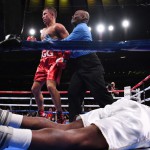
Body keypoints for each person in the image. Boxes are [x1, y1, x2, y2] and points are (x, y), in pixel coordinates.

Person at [1, 97, 150, 150]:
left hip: (132, 106)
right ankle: (4, 136)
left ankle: (6, 117)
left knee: (64, 128)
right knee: (75, 139)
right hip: (142, 122)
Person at [44, 10, 114, 122]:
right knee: (73, 92)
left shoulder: (81, 27)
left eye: (76, 14)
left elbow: (66, 43)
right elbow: (69, 48)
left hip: (90, 64)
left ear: (83, 17)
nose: (73, 16)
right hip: (80, 65)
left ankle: (118, 116)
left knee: (100, 94)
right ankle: (73, 122)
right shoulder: (77, 30)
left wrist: (51, 41)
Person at [31, 7, 69, 123]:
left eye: (45, 14)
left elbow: (70, 42)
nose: (43, 16)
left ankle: (60, 114)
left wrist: (65, 58)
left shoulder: (58, 27)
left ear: (52, 14)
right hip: (43, 61)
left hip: (55, 60)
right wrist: (33, 43)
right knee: (35, 89)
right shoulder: (42, 31)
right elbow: (42, 46)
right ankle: (41, 113)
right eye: (42, 14)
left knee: (50, 86)